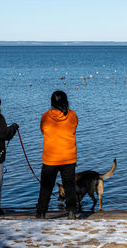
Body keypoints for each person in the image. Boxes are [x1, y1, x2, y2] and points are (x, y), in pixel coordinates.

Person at [36, 90, 78, 219]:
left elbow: (43, 130)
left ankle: (41, 214)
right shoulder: (72, 115)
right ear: (66, 101)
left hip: (50, 159)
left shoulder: (45, 117)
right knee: (70, 187)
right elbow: (74, 128)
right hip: (68, 157)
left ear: (52, 102)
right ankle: (71, 213)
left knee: (46, 188)